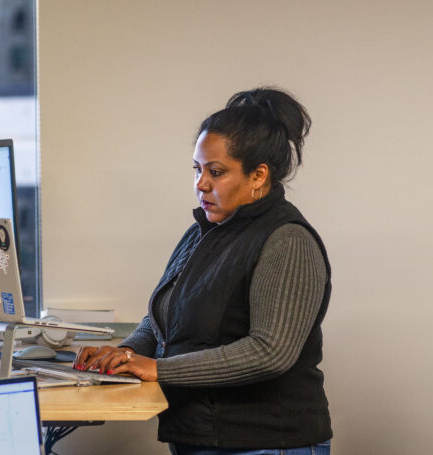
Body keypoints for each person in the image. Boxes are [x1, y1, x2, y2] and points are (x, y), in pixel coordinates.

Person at [75, 87, 332, 454]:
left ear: (258, 175)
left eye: (216, 172)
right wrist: (126, 354)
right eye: (197, 169)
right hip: (202, 436)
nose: (201, 184)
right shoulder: (202, 232)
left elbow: (269, 352)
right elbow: (162, 317)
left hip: (264, 444)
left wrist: (159, 369)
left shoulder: (287, 240)